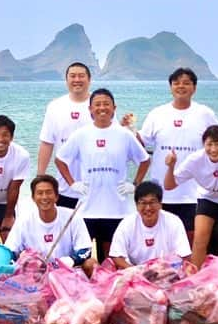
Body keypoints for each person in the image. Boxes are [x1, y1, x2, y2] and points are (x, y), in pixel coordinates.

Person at [124, 67, 218, 235]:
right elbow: (141, 141)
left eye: (186, 83)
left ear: (194, 88)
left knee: (191, 239)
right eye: (176, 83)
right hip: (162, 193)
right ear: (170, 87)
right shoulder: (158, 114)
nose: (181, 86)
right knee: (163, 239)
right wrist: (129, 129)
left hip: (193, 193)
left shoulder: (204, 113)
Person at [55, 88, 150, 261]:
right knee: (84, 260)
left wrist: (135, 184)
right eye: (97, 104)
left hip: (117, 209)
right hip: (87, 209)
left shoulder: (125, 135)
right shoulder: (81, 135)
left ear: (114, 107)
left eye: (106, 104)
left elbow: (144, 160)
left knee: (112, 260)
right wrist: (72, 183)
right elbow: (60, 160)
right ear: (90, 109)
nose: (102, 108)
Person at [164, 125, 218, 268]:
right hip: (209, 197)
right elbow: (169, 185)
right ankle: (195, 278)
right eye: (209, 144)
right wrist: (171, 166)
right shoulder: (195, 160)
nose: (214, 149)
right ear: (203, 144)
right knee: (199, 239)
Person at [5, 174, 97, 276]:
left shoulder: (73, 216)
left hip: (67, 272)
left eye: (49, 192)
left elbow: (86, 250)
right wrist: (22, 258)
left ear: (57, 196)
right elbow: (9, 251)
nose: (44, 197)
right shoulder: (23, 220)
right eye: (40, 193)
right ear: (33, 198)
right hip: (35, 274)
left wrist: (72, 260)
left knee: (91, 264)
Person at [38, 62, 93, 208]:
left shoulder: (99, 104)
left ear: (89, 79)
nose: (77, 80)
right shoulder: (55, 107)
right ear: (66, 80)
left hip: (95, 188)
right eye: (72, 76)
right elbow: (47, 143)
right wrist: (40, 176)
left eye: (81, 76)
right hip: (64, 187)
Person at [109, 181, 192, 269]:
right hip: (136, 272)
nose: (148, 208)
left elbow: (185, 255)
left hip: (166, 272)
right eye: (143, 203)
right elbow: (116, 255)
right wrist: (134, 271)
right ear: (136, 205)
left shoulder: (174, 221)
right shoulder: (126, 224)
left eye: (152, 202)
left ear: (160, 204)